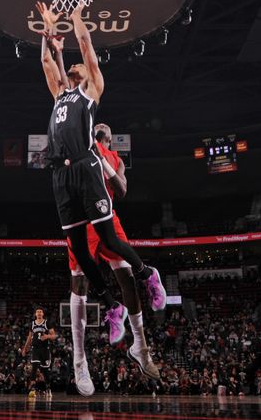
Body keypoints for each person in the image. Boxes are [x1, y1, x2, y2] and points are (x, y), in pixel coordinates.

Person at [34, 1, 166, 396]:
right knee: (79, 263)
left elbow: (88, 48)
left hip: (92, 184)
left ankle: (142, 317)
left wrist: (76, 19)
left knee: (118, 256)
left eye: (75, 67)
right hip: (63, 175)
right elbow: (46, 65)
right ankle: (88, 347)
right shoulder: (60, 94)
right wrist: (47, 33)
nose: (71, 67)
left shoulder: (92, 96)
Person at [66, 123, 161, 391]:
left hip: (107, 216)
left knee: (128, 279)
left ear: (110, 139)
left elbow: (122, 190)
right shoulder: (85, 144)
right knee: (79, 285)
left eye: (105, 129)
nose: (102, 126)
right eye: (98, 126)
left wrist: (109, 168)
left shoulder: (116, 160)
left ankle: (141, 348)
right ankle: (79, 362)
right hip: (82, 218)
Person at [21, 307, 56, 398]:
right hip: (35, 348)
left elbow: (54, 336)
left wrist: (47, 336)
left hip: (45, 349)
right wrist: (25, 348)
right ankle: (33, 389)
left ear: (43, 314)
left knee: (45, 371)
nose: (39, 313)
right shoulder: (32, 324)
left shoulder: (47, 323)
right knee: (34, 367)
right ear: (35, 314)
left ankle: (48, 388)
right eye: (37, 312)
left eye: (40, 312)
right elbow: (29, 337)